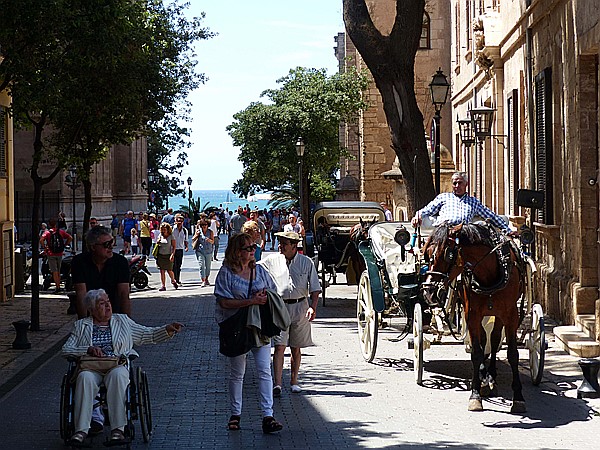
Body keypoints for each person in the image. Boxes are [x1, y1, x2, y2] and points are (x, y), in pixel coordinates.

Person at [62, 289, 183, 447]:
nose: (108, 306)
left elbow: (147, 334)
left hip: (116, 364)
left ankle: (118, 430)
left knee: (118, 376)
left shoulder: (122, 321)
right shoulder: (81, 326)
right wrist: (87, 349)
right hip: (91, 366)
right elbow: (66, 349)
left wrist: (166, 330)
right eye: (102, 304)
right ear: (91, 310)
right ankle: (81, 430)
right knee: (84, 378)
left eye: (108, 302)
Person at [214, 233, 283, 434]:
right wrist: (250, 301)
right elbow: (223, 302)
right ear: (237, 251)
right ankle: (235, 414)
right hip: (237, 328)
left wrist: (263, 296)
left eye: (253, 247)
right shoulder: (226, 273)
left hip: (259, 327)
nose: (252, 250)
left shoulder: (260, 271)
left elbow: (273, 292)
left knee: (264, 371)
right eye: (248, 248)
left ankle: (268, 415)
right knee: (237, 373)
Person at [260, 231, 320, 397]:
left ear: (294, 246)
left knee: (296, 347)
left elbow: (315, 289)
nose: (280, 246)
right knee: (279, 347)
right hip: (280, 308)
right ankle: (277, 384)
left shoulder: (306, 262)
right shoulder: (272, 260)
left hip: (300, 307)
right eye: (280, 243)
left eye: (284, 244)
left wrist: (312, 307)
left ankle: (294, 381)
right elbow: (255, 267)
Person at [411, 172, 516, 235]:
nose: (457, 186)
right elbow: (428, 209)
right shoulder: (443, 197)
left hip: (464, 232)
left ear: (466, 184)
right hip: (443, 230)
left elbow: (491, 216)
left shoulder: (473, 201)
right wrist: (417, 215)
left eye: (460, 183)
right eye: (454, 183)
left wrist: (508, 230)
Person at [72, 226, 131, 318]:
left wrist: (126, 323)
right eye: (106, 244)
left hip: (115, 314)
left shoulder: (120, 262)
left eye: (112, 242)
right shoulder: (79, 262)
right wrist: (83, 323)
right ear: (93, 247)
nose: (111, 247)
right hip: (91, 314)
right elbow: (81, 294)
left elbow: (123, 294)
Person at [40, 218, 73, 293]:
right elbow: (70, 237)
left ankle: (57, 287)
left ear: (49, 224)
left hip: (51, 254)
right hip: (60, 253)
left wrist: (45, 247)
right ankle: (58, 285)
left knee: (54, 271)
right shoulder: (60, 232)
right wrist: (64, 245)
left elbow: (41, 240)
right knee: (58, 270)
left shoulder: (47, 232)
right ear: (56, 224)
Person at [155, 222, 178, 291]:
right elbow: (157, 244)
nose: (163, 231)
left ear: (168, 229)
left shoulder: (171, 236)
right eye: (162, 229)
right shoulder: (160, 235)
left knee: (169, 270)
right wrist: (158, 242)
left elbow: (174, 246)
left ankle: (173, 280)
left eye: (164, 229)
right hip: (161, 255)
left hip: (168, 255)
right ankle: (163, 286)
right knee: (162, 271)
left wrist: (172, 254)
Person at [193, 219, 213, 287]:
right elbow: (193, 239)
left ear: (208, 225)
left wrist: (209, 240)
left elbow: (213, 241)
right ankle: (203, 280)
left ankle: (207, 278)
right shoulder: (198, 232)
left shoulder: (210, 232)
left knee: (208, 266)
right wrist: (197, 235)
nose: (204, 226)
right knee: (201, 265)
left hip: (208, 251)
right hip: (200, 250)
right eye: (202, 225)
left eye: (205, 225)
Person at [172, 214, 189, 285]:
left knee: (178, 265)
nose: (179, 222)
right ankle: (174, 279)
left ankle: (177, 279)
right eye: (178, 221)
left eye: (181, 221)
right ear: (175, 221)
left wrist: (186, 247)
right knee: (173, 265)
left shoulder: (185, 230)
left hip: (180, 249)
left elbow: (186, 240)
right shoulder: (172, 229)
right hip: (172, 249)